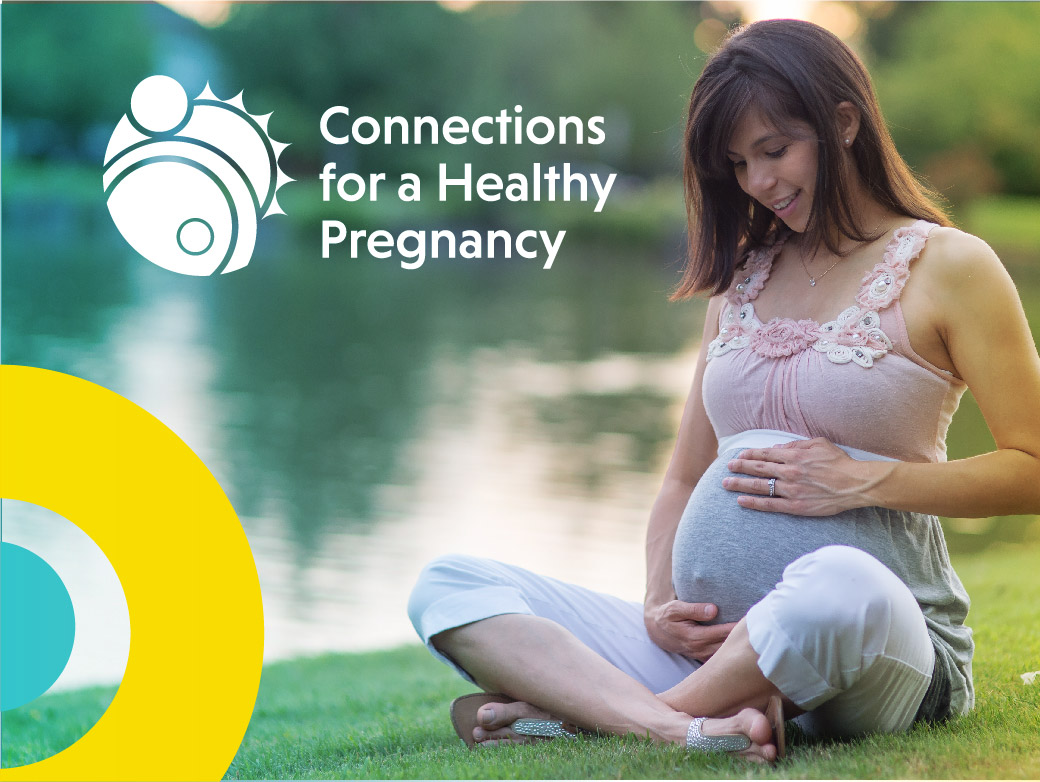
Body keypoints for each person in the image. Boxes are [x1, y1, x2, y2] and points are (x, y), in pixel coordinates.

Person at [407, 18, 1040, 763]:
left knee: (839, 585)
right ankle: (685, 725)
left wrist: (862, 479)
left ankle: (594, 719)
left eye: (775, 150)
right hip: (711, 655)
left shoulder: (950, 265)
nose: (759, 182)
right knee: (449, 585)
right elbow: (682, 476)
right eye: (739, 164)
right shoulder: (744, 280)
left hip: (879, 645)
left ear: (843, 123)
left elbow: (1031, 465)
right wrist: (654, 605)